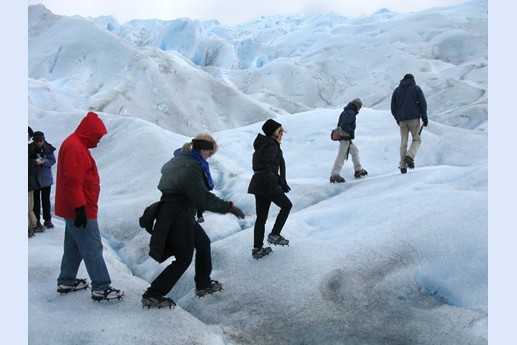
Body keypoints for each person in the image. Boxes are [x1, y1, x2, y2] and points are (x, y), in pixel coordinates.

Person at [142, 133, 245, 309]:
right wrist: (228, 207)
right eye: (210, 154)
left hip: (180, 212)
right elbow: (201, 195)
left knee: (203, 243)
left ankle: (203, 284)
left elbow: (186, 192)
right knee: (184, 258)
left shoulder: (182, 161)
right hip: (177, 214)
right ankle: (153, 294)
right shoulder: (191, 166)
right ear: (204, 149)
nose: (210, 157)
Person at [55, 112, 124, 302]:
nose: (99, 140)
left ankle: (67, 281)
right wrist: (80, 208)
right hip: (81, 208)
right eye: (98, 136)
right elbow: (72, 182)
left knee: (74, 247)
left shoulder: (75, 144)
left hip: (75, 208)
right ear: (89, 131)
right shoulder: (75, 148)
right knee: (92, 247)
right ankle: (101, 287)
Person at [247, 119, 292, 259]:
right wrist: (277, 180)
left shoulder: (261, 145)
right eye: (280, 132)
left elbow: (259, 165)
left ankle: (257, 249)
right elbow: (268, 163)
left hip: (257, 182)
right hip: (267, 182)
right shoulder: (272, 145)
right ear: (275, 133)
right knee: (286, 205)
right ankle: (275, 234)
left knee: (261, 218)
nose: (282, 135)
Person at [390, 73, 428, 174]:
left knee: (403, 142)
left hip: (402, 120)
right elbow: (422, 104)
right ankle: (410, 156)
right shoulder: (416, 89)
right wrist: (424, 118)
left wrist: (398, 118)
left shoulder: (397, 91)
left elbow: (393, 108)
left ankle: (403, 166)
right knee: (416, 139)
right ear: (412, 79)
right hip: (414, 118)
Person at [329, 98, 368, 183]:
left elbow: (341, 124)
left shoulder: (346, 111)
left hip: (344, 137)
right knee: (341, 156)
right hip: (345, 137)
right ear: (357, 105)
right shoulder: (351, 113)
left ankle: (358, 170)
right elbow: (345, 124)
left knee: (355, 151)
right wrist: (350, 132)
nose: (359, 109)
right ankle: (334, 175)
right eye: (360, 107)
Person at [29, 131, 56, 230]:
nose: (39, 143)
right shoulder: (29, 149)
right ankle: (37, 221)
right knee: (35, 202)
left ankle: (47, 220)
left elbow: (52, 161)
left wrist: (44, 162)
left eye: (40, 141)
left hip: (45, 179)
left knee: (46, 200)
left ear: (43, 140)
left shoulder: (48, 148)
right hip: (35, 179)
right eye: (36, 141)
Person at [28, 126, 40, 238]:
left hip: (29, 183)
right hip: (29, 182)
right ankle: (31, 227)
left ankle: (30, 227)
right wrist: (35, 162)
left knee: (29, 206)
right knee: (28, 207)